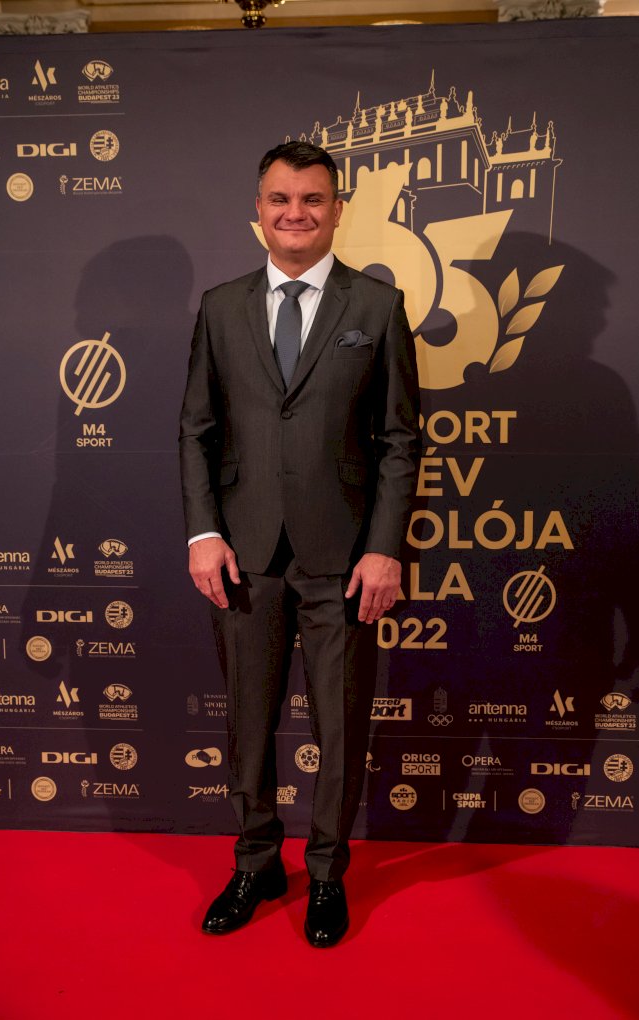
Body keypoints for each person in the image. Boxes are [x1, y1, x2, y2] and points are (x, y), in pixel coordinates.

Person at [179, 141, 420, 947]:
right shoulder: (221, 306)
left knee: (339, 729)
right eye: (280, 199)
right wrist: (204, 531)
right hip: (242, 556)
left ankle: (325, 874)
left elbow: (399, 441)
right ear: (258, 210)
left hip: (345, 559)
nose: (295, 213)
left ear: (337, 209)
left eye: (312, 199)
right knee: (248, 724)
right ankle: (255, 864)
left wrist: (384, 548)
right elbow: (196, 430)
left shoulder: (377, 307)